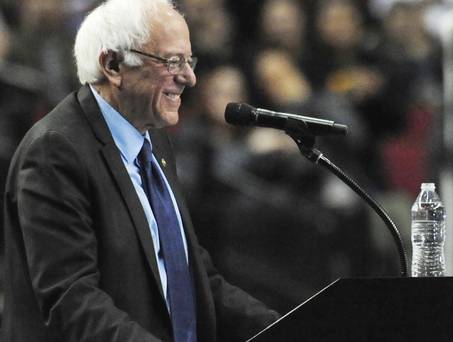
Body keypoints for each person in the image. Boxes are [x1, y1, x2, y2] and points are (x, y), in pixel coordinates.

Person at [2, 0, 279, 341]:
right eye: (172, 61)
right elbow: (72, 300)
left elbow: (191, 277)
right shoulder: (55, 152)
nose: (189, 78)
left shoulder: (154, 140)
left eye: (189, 61)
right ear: (113, 64)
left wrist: (286, 328)